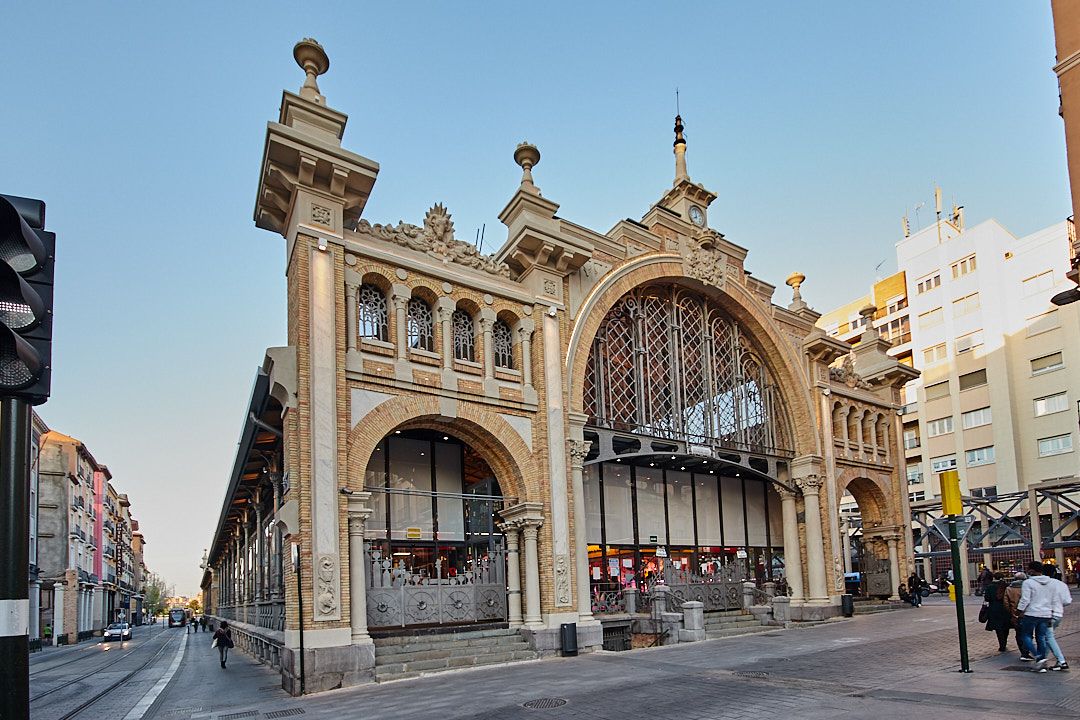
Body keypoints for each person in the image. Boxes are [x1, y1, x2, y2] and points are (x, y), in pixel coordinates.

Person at [1018, 561, 1057, 671]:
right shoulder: (1050, 582)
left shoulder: (1028, 582)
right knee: (1041, 637)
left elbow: (1025, 599)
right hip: (1046, 613)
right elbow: (1053, 598)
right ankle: (1042, 661)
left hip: (1032, 613)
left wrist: (1019, 611)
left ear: (1032, 570)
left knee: (1025, 636)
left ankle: (1038, 657)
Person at [1045, 569, 1073, 671]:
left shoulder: (1044, 584)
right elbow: (1067, 601)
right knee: (1048, 636)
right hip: (1058, 613)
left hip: (1047, 614)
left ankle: (1061, 660)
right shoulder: (1061, 584)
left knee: (1049, 637)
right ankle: (1043, 658)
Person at [1004, 571, 1034, 660]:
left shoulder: (1009, 588)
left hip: (1015, 614)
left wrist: (1012, 612)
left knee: (1019, 633)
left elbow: (1006, 603)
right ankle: (1026, 652)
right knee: (1028, 633)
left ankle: (1023, 651)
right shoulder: (1027, 587)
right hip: (1027, 613)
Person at [983, 572, 1012, 652]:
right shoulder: (1007, 586)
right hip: (1006, 609)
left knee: (998, 628)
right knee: (1006, 627)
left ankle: (1002, 645)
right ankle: (1004, 642)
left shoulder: (990, 587)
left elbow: (987, 598)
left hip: (994, 609)